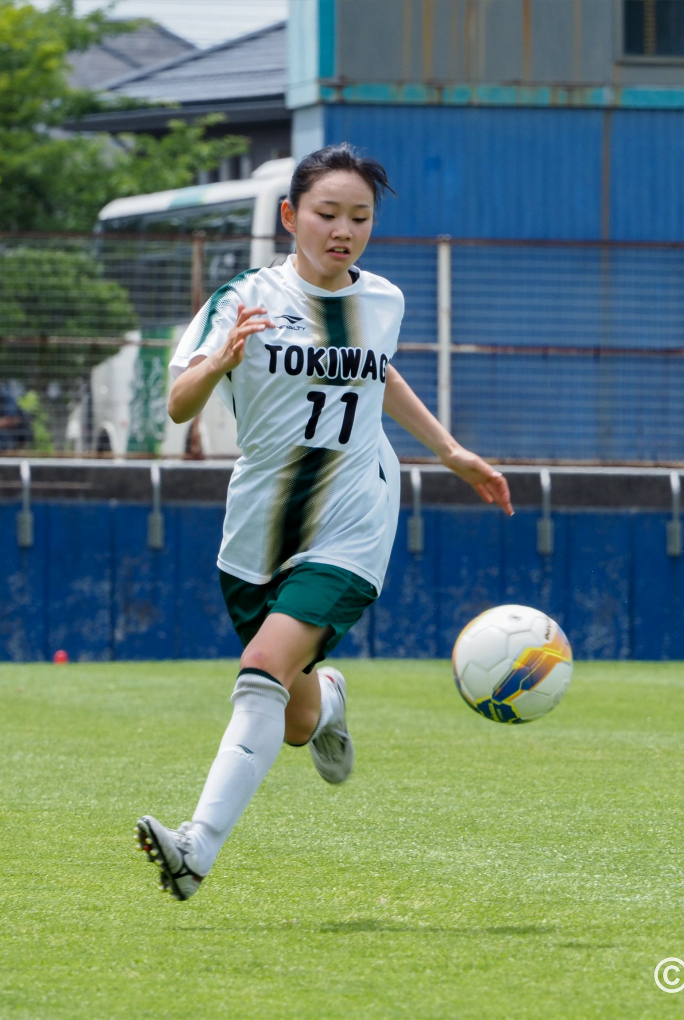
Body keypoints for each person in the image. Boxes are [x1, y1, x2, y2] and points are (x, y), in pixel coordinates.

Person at [135, 144, 513, 900]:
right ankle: (330, 699)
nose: (344, 230)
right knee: (296, 718)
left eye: (360, 217)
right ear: (290, 217)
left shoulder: (385, 301)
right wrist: (216, 364)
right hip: (258, 530)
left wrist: (449, 450)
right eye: (327, 213)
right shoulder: (242, 299)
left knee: (259, 672)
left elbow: (381, 373)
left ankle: (195, 850)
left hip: (355, 515)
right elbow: (177, 404)